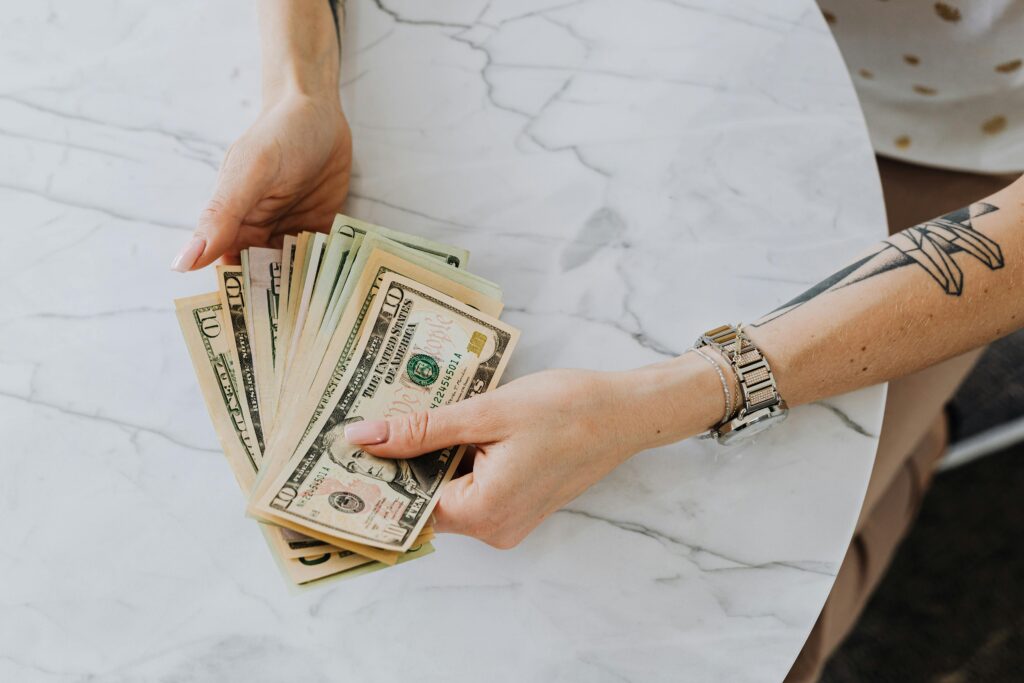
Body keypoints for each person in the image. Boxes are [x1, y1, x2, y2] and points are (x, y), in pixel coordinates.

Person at [170, 2, 1023, 680]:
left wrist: (668, 396)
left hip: (958, 147)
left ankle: (908, 445)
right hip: (657, 51)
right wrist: (302, 83)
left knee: (749, 632)